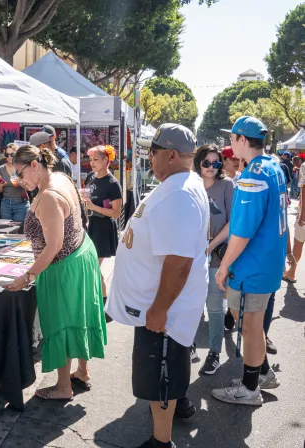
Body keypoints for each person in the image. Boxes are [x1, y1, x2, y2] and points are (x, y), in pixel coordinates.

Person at [107, 124, 209, 448]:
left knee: (160, 371)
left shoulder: (178, 193)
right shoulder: (178, 184)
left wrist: (160, 309)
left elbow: (179, 261)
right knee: (169, 365)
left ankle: (161, 441)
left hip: (166, 309)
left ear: (173, 155)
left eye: (153, 151)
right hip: (163, 303)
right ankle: (178, 407)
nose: (149, 157)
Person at [6, 145, 106, 399]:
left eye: (19, 173)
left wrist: (27, 276)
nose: (17, 180)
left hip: (63, 266)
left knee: (62, 322)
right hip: (80, 253)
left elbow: (54, 246)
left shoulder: (49, 195)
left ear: (34, 166)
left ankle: (63, 387)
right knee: (79, 315)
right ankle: (82, 372)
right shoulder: (60, 176)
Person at [212, 116, 285, 406]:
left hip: (253, 264)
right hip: (267, 261)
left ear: (243, 140)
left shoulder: (253, 174)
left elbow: (243, 231)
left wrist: (225, 266)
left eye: (232, 138)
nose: (229, 143)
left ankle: (250, 388)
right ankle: (262, 373)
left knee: (250, 325)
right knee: (251, 323)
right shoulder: (272, 166)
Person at [192, 144, 235, 376]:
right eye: (207, 162)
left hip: (217, 255)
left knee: (215, 306)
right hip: (191, 256)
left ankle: (215, 353)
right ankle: (189, 346)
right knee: (190, 303)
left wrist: (210, 247)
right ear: (199, 162)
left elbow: (233, 222)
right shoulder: (191, 184)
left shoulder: (227, 185)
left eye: (216, 163)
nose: (211, 167)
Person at [84, 145, 122, 317]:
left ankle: (105, 307)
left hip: (102, 228)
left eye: (96, 159)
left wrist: (93, 207)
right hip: (89, 225)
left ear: (106, 160)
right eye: (91, 159)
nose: (92, 163)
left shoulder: (112, 184)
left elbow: (116, 213)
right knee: (90, 266)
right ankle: (98, 303)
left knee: (93, 266)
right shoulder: (91, 177)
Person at [0, 143, 29, 222]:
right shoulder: (1, 169)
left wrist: (20, 183)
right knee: (6, 229)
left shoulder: (22, 167)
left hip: (21, 203)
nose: (9, 157)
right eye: (7, 155)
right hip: (6, 204)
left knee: (19, 230)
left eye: (12, 154)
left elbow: (29, 188)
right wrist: (1, 185)